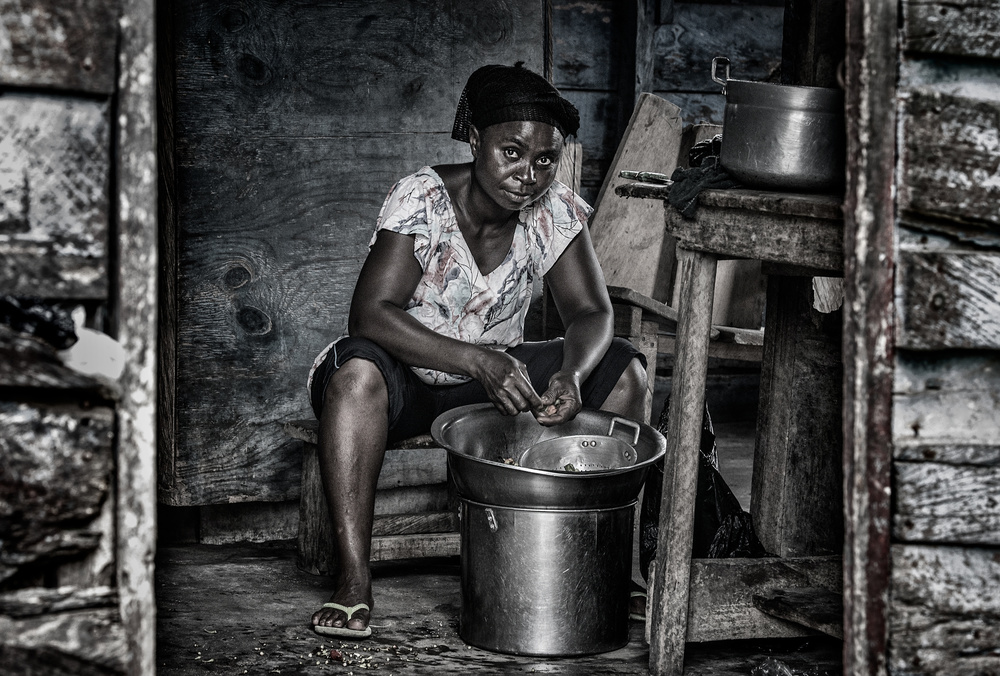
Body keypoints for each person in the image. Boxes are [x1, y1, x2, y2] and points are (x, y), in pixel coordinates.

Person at [308, 62, 649, 638]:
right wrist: (476, 359)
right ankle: (353, 580)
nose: (528, 175)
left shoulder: (552, 210)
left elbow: (591, 312)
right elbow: (369, 314)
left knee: (626, 374)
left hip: (494, 384)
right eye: (511, 153)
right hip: (406, 379)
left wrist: (570, 373)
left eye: (545, 160)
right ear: (475, 140)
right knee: (355, 376)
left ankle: (609, 566)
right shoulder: (423, 199)